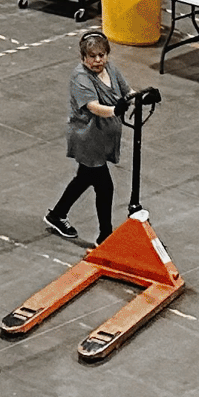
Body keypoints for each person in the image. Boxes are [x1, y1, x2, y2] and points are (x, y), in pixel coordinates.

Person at [45, 29, 134, 245]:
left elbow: (127, 91)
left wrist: (139, 97)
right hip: (88, 138)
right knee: (104, 186)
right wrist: (116, 110)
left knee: (84, 178)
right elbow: (94, 107)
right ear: (83, 58)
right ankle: (105, 236)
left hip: (103, 137)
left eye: (101, 55)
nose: (97, 60)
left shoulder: (110, 69)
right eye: (92, 56)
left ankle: (57, 215)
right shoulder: (80, 78)